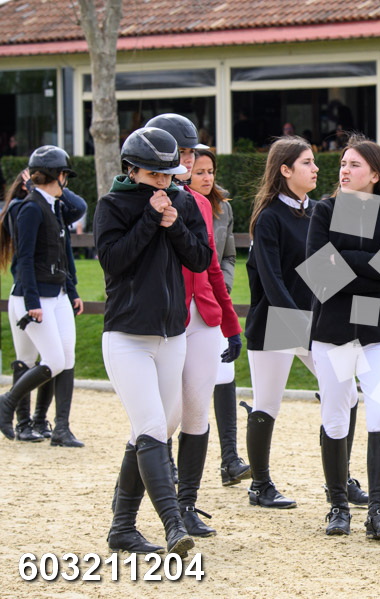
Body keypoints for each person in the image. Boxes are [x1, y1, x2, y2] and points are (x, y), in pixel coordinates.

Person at [96, 126, 212, 556]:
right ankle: (173, 525)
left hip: (172, 336)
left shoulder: (183, 202)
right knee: (150, 428)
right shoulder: (112, 205)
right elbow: (113, 261)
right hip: (126, 336)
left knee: (153, 429)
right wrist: (149, 219)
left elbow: (200, 258)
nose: (163, 183)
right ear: (132, 170)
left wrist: (174, 224)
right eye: (154, 175)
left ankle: (122, 527)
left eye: (168, 175)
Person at [306, 136, 380, 539]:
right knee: (335, 417)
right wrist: (375, 272)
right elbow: (320, 273)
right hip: (332, 331)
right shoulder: (325, 210)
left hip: (377, 332)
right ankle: (338, 507)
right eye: (343, 164)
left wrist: (344, 261)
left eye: (354, 165)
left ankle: (378, 510)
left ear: (375, 174)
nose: (344, 170)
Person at [145, 113, 243, 538]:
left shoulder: (202, 204)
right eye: (181, 153)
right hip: (165, 317)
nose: (187, 161)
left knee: (197, 411)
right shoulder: (141, 200)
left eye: (189, 152)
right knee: (163, 418)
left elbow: (213, 268)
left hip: (203, 316)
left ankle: (186, 505)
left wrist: (231, 322)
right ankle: (147, 505)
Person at [242, 136, 319, 510]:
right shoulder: (269, 217)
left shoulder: (318, 212)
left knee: (345, 394)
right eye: (307, 162)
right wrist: (301, 326)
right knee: (267, 404)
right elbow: (271, 281)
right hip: (275, 321)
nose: (315, 168)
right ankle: (259, 485)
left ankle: (341, 480)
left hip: (313, 321)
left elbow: (328, 271)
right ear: (285, 170)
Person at [0, 147, 85, 448]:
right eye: (65, 176)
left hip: (59, 293)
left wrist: (72, 291)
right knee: (53, 360)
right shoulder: (31, 208)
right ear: (59, 176)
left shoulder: (55, 207)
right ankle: (8, 403)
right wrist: (32, 303)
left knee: (67, 358)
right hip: (37, 297)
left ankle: (61, 429)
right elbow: (24, 259)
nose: (66, 182)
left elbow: (61, 255)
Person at [188, 147, 252, 487]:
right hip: (183, 301)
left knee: (225, 372)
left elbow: (228, 256)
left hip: (214, 300)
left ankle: (230, 459)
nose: (207, 177)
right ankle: (167, 460)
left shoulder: (222, 208)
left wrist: (223, 285)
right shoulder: (179, 205)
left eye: (210, 171)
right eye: (200, 172)